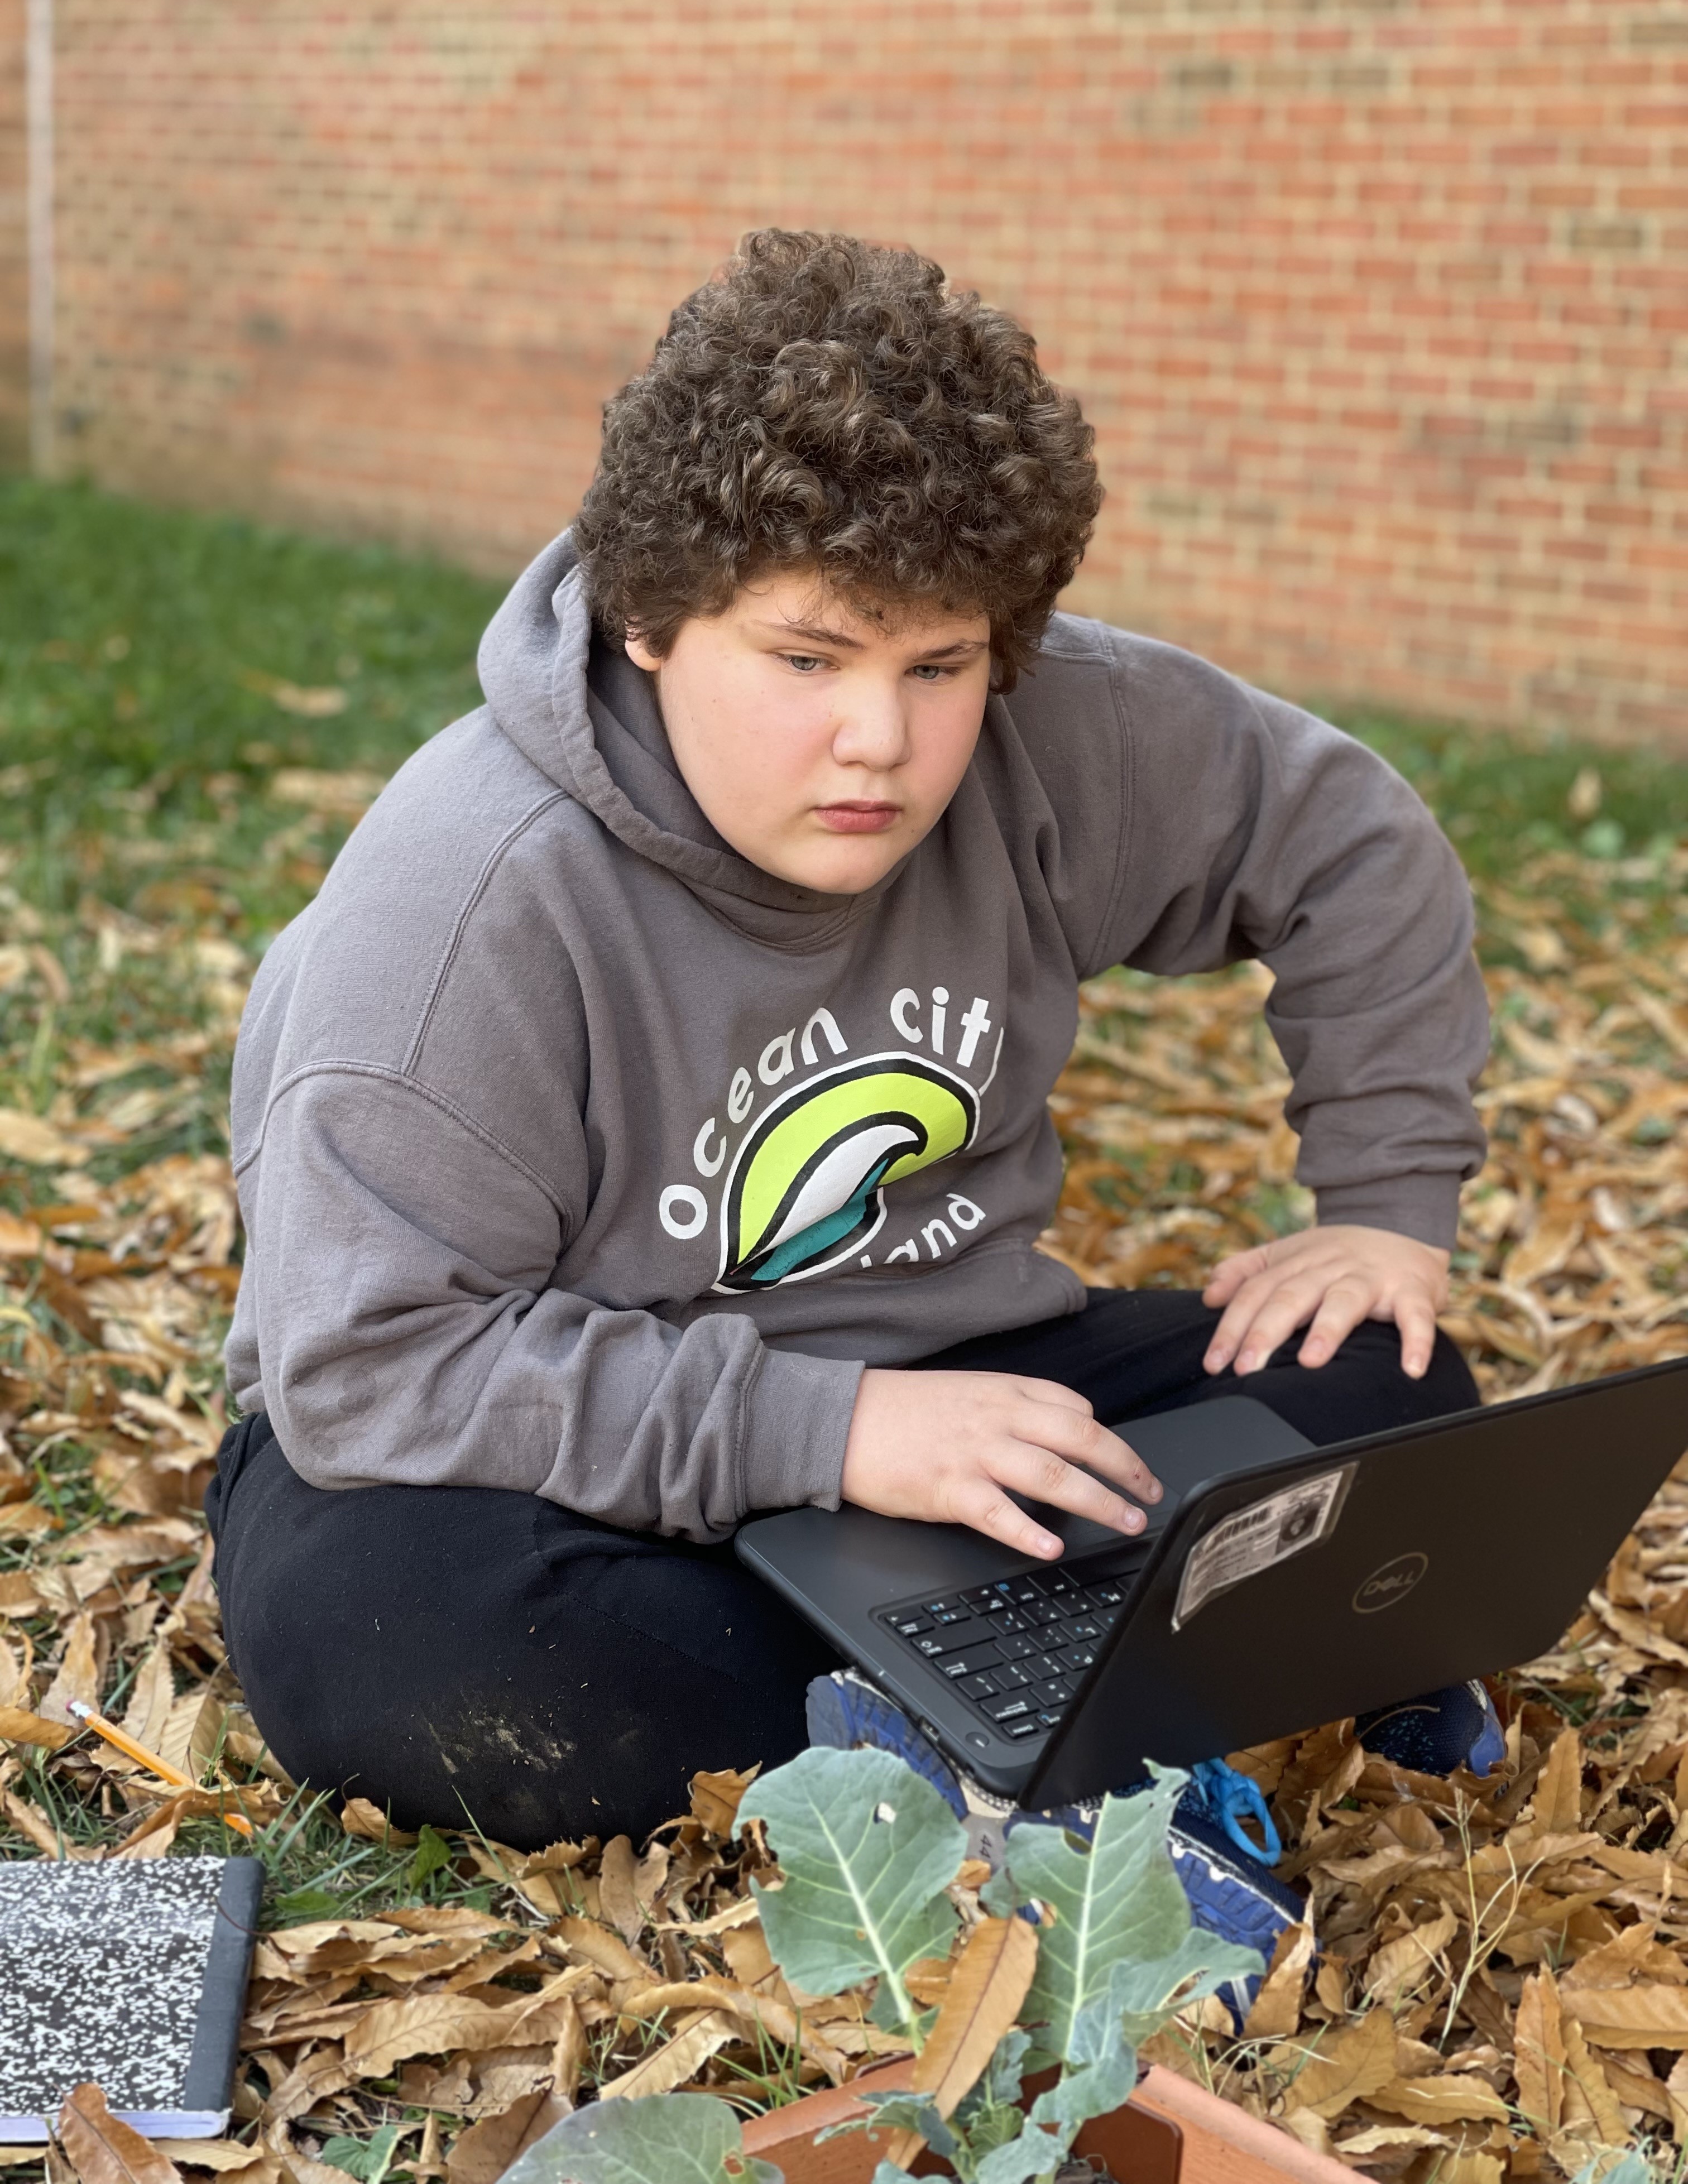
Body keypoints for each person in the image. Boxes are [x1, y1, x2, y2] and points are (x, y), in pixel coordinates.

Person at [207, 232, 1497, 1885]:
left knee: (1388, 1393)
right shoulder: (465, 901)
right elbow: (372, 1365)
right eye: (808, 660)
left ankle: (947, 1705)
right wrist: (830, 1433)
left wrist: (1386, 1203)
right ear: (654, 619)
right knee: (396, 1647)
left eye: (937, 666)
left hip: (956, 1388)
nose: (878, 741)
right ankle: (1080, 1702)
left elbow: (1349, 847)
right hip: (529, 1459)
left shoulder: (1046, 741)